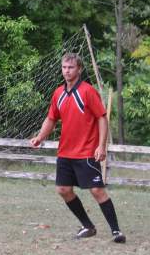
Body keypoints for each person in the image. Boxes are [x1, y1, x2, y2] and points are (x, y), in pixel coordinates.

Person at [30, 53, 125, 243]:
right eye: (64, 67)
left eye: (71, 67)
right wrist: (40, 137)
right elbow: (51, 118)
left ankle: (116, 231)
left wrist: (101, 146)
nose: (67, 71)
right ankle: (88, 226)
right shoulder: (58, 93)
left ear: (79, 69)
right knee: (63, 189)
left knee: (97, 190)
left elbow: (102, 118)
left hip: (87, 152)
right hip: (65, 152)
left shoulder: (88, 91)